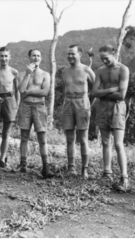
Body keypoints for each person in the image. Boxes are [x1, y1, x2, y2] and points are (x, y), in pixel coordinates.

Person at [92, 44, 130, 191]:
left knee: (118, 144)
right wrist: (111, 89)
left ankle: (124, 178)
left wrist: (103, 92)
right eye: (102, 59)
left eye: (106, 58)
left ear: (114, 53)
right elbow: (94, 92)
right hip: (103, 108)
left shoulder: (123, 69)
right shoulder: (100, 71)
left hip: (117, 107)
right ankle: (107, 173)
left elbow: (121, 95)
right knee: (106, 142)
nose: (104, 61)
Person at [60, 44, 95, 179]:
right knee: (69, 139)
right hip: (68, 103)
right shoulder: (64, 71)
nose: (70, 56)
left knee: (83, 139)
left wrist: (90, 103)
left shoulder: (87, 70)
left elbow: (97, 87)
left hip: (82, 103)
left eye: (72, 54)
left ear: (79, 54)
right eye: (68, 54)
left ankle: (84, 170)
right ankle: (71, 168)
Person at [17, 49, 53, 178]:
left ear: (41, 58)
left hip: (39, 106)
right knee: (24, 137)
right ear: (29, 57)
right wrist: (28, 74)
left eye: (38, 56)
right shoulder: (22, 74)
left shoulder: (45, 74)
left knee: (42, 138)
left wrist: (29, 91)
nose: (36, 58)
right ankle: (23, 165)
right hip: (25, 106)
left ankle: (46, 167)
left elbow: (45, 92)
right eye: (33, 56)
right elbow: (21, 90)